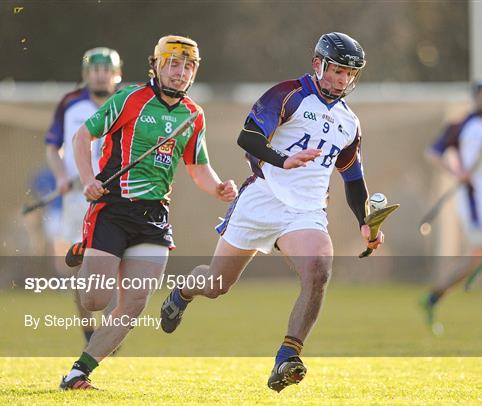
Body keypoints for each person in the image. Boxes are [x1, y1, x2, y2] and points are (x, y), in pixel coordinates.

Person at [160, 32, 384, 393]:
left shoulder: (349, 123)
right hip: (262, 197)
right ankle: (183, 293)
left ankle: (287, 357)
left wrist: (364, 222)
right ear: (318, 64)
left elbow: (354, 180)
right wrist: (284, 159)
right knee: (217, 284)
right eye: (337, 70)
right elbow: (248, 137)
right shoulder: (289, 94)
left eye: (349, 74)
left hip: (307, 213)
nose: (342, 80)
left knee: (319, 268)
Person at [59, 35, 237, 390]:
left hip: (154, 217)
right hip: (113, 208)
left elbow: (198, 167)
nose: (180, 72)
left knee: (135, 301)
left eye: (188, 66)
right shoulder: (130, 98)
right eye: (173, 63)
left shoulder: (193, 115)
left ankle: (79, 373)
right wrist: (88, 180)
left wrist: (218, 188)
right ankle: (87, 255)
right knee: (96, 299)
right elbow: (82, 137)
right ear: (155, 65)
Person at [421, 77, 482, 334]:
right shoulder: (463, 125)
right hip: (473, 198)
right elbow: (433, 152)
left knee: (481, 258)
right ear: (476, 97)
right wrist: (457, 171)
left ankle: (434, 297)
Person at [45, 47, 123, 343]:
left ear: (117, 74)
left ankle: (109, 329)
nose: (101, 75)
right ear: (86, 74)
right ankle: (89, 330)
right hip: (77, 198)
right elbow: (53, 145)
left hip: (115, 196)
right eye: (95, 70)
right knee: (78, 263)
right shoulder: (70, 103)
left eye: (106, 69)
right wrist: (62, 176)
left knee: (113, 260)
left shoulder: (126, 102)